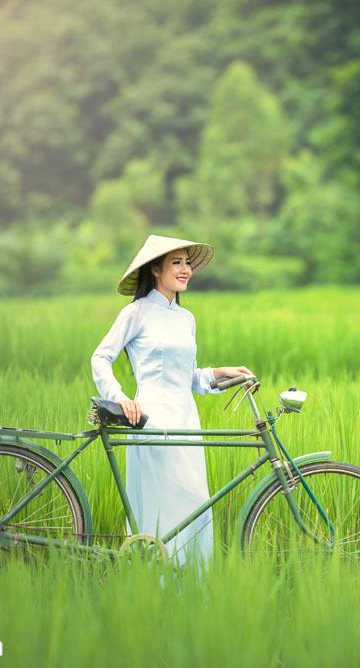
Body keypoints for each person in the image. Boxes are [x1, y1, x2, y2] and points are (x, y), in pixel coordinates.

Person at [90, 234, 253, 572]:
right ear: (155, 270)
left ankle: (186, 596)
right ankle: (158, 584)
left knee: (195, 510)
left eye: (187, 263)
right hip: (153, 419)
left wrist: (222, 372)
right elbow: (100, 358)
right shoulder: (136, 312)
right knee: (182, 503)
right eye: (176, 263)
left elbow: (187, 377)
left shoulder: (185, 318)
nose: (185, 270)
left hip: (186, 421)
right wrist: (119, 397)